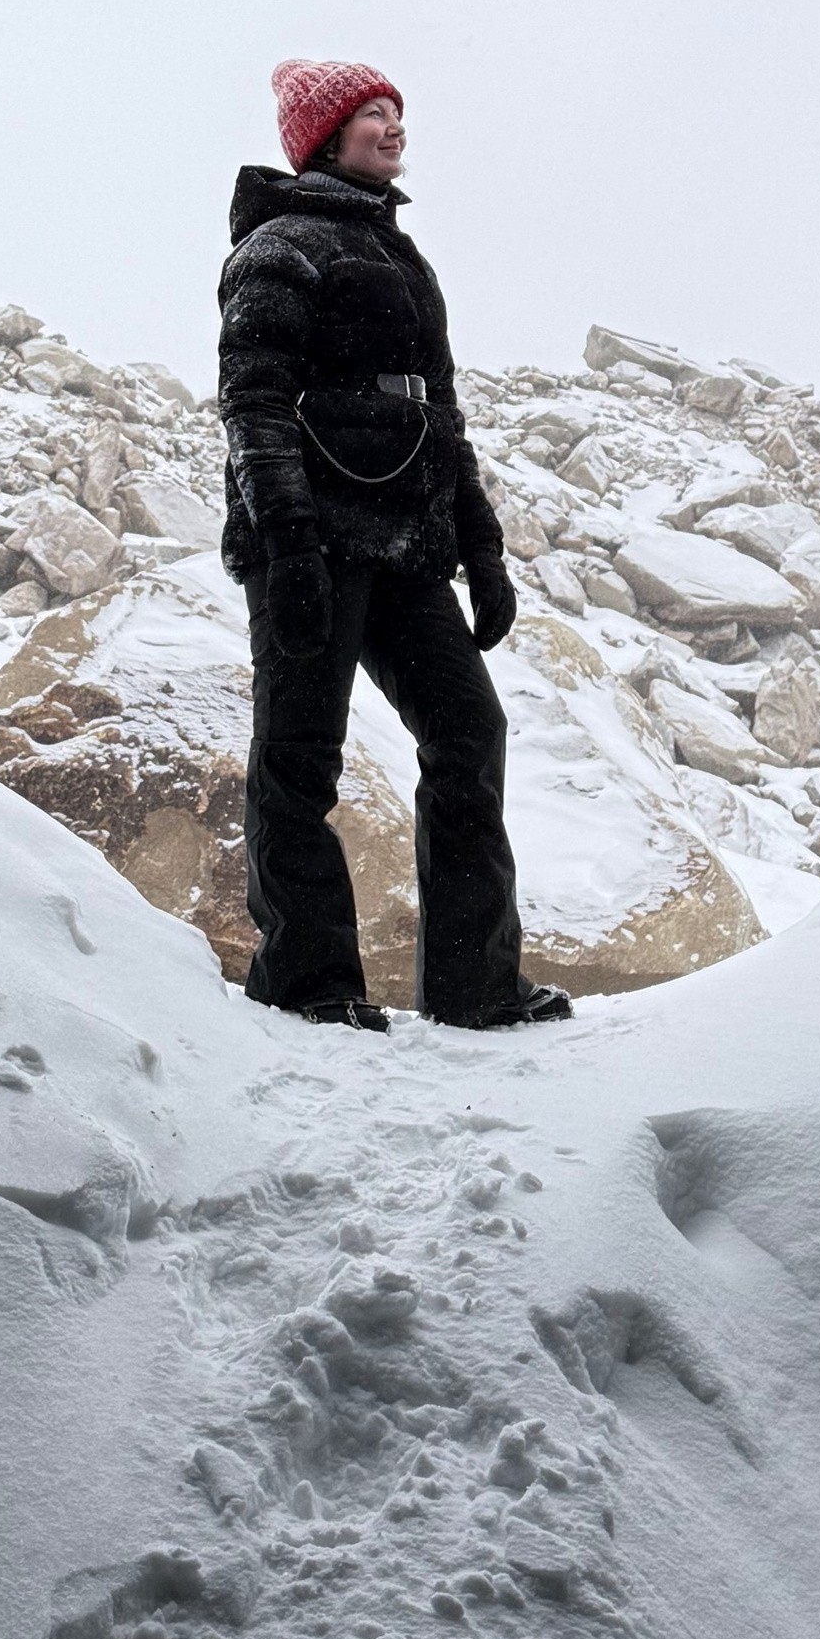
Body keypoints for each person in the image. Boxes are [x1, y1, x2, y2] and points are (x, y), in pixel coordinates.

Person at [217, 59, 573, 1035]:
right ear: (324, 136)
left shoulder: (403, 258)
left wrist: (484, 549)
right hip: (314, 541)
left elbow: (440, 417)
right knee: (298, 757)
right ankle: (309, 981)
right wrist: (285, 542)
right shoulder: (278, 245)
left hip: (409, 547)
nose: (393, 123)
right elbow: (252, 404)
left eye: (396, 109)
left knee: (468, 732)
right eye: (371, 110)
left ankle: (475, 989)